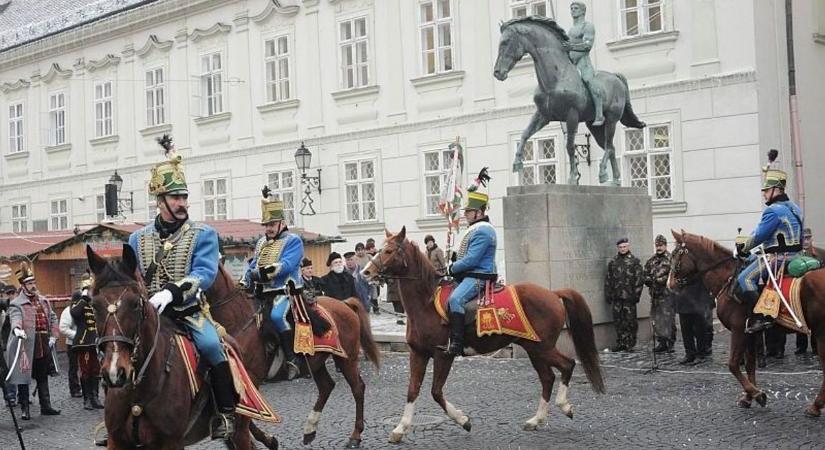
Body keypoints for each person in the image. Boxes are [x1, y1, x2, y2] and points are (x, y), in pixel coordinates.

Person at [128, 135, 236, 440]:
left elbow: (205, 273)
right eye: (175, 198)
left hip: (187, 312)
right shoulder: (138, 239)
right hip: (149, 314)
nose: (182, 203)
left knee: (213, 345)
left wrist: (172, 292)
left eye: (184, 197)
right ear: (160, 201)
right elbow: (133, 275)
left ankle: (224, 414)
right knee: (118, 349)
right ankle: (114, 417)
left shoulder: (204, 234)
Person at [735, 159, 803, 334]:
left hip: (779, 259)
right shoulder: (795, 208)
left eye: (766, 190)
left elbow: (759, 236)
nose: (764, 194)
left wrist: (743, 247)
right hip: (797, 255)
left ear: (776, 190)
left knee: (745, 279)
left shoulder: (772, 210)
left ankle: (762, 317)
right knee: (752, 259)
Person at [243, 189, 304, 381]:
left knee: (278, 316)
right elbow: (253, 264)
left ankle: (292, 358)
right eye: (266, 225)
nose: (268, 228)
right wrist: (244, 281)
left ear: (282, 223)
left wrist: (262, 273)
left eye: (272, 224)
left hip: (285, 290)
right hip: (262, 292)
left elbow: (286, 265)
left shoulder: (293, 241)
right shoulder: (261, 242)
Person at [443, 168, 496, 357]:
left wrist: (451, 267)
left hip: (479, 275)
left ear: (479, 213)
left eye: (470, 211)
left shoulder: (483, 231)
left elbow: (472, 260)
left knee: (456, 299)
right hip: (470, 273)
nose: (466, 214)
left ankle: (458, 343)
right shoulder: (475, 229)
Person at [5, 262, 61, 420]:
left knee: (42, 375)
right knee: (24, 376)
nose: (33, 285)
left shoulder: (44, 300)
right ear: (23, 285)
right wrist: (17, 329)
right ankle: (25, 408)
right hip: (26, 343)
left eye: (34, 282)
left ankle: (46, 405)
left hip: (43, 342)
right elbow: (15, 318)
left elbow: (52, 317)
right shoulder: (17, 303)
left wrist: (54, 335)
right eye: (30, 283)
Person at [561, 1, 605, 126]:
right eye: (571, 8)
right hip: (571, 63)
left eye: (576, 8)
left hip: (583, 62)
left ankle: (599, 114)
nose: (573, 10)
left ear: (582, 11)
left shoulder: (587, 26)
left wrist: (571, 46)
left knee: (589, 81)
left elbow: (587, 45)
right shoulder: (571, 29)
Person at [70, 272, 103, 410]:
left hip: (95, 341)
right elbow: (75, 314)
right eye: (88, 289)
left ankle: (95, 396)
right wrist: (83, 298)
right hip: (84, 341)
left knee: (96, 370)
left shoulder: (94, 302)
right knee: (86, 370)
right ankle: (87, 398)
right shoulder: (79, 301)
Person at [604, 238, 644, 352]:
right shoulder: (613, 262)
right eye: (620, 247)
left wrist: (636, 295)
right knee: (618, 321)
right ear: (618, 248)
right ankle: (621, 342)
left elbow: (639, 279)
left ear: (628, 247)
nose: (622, 249)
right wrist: (608, 294)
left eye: (624, 247)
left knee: (630, 321)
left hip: (629, 297)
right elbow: (608, 279)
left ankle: (630, 343)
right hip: (617, 297)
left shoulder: (634, 261)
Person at [644, 234, 676, 353]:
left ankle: (670, 343)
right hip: (655, 296)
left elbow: (673, 276)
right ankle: (661, 342)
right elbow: (645, 273)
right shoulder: (652, 261)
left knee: (668, 320)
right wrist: (647, 279)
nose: (659, 248)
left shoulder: (671, 259)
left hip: (667, 296)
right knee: (657, 320)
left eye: (661, 245)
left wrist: (660, 280)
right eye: (657, 245)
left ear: (665, 245)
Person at [674, 278, 714, 365]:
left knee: (700, 329)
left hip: (698, 297)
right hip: (683, 298)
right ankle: (689, 353)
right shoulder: (678, 266)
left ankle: (701, 354)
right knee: (685, 328)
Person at [796, 227, 820, 354]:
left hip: (816, 292)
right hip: (801, 291)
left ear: (812, 239)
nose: (806, 241)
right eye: (803, 238)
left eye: (808, 238)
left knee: (816, 319)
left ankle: (816, 346)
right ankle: (801, 346)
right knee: (801, 317)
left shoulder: (819, 254)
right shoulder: (796, 255)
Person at [59, 292, 82, 398]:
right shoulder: (68, 311)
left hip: (87, 343)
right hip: (73, 343)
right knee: (74, 367)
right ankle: (75, 389)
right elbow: (63, 328)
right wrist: (78, 336)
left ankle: (86, 388)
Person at [1, 282, 17, 406]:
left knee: (20, 369)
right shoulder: (4, 306)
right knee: (7, 370)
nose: (10, 296)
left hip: (18, 342)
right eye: (8, 294)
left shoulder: (16, 306)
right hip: (6, 343)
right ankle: (10, 396)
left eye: (13, 293)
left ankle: (23, 396)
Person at [354, 243, 380, 314]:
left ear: (364, 250)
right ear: (356, 251)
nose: (360, 251)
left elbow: (375, 265)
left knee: (373, 294)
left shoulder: (369, 256)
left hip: (369, 278)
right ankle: (364, 309)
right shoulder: (355, 258)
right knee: (363, 294)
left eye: (362, 249)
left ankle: (376, 309)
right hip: (360, 279)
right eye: (358, 250)